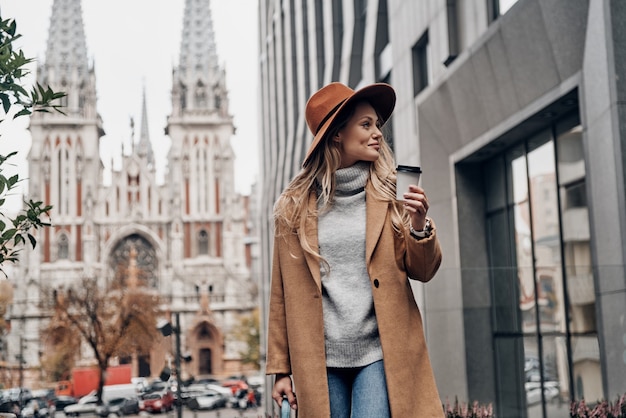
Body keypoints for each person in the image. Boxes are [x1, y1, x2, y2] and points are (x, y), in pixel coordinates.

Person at [266, 82, 444, 417]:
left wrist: (419, 225)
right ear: (336, 134)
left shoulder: (393, 194)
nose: (377, 133)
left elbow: (423, 270)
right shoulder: (291, 207)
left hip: (379, 352)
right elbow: (280, 294)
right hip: (318, 358)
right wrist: (280, 368)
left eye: (377, 124)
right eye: (366, 124)